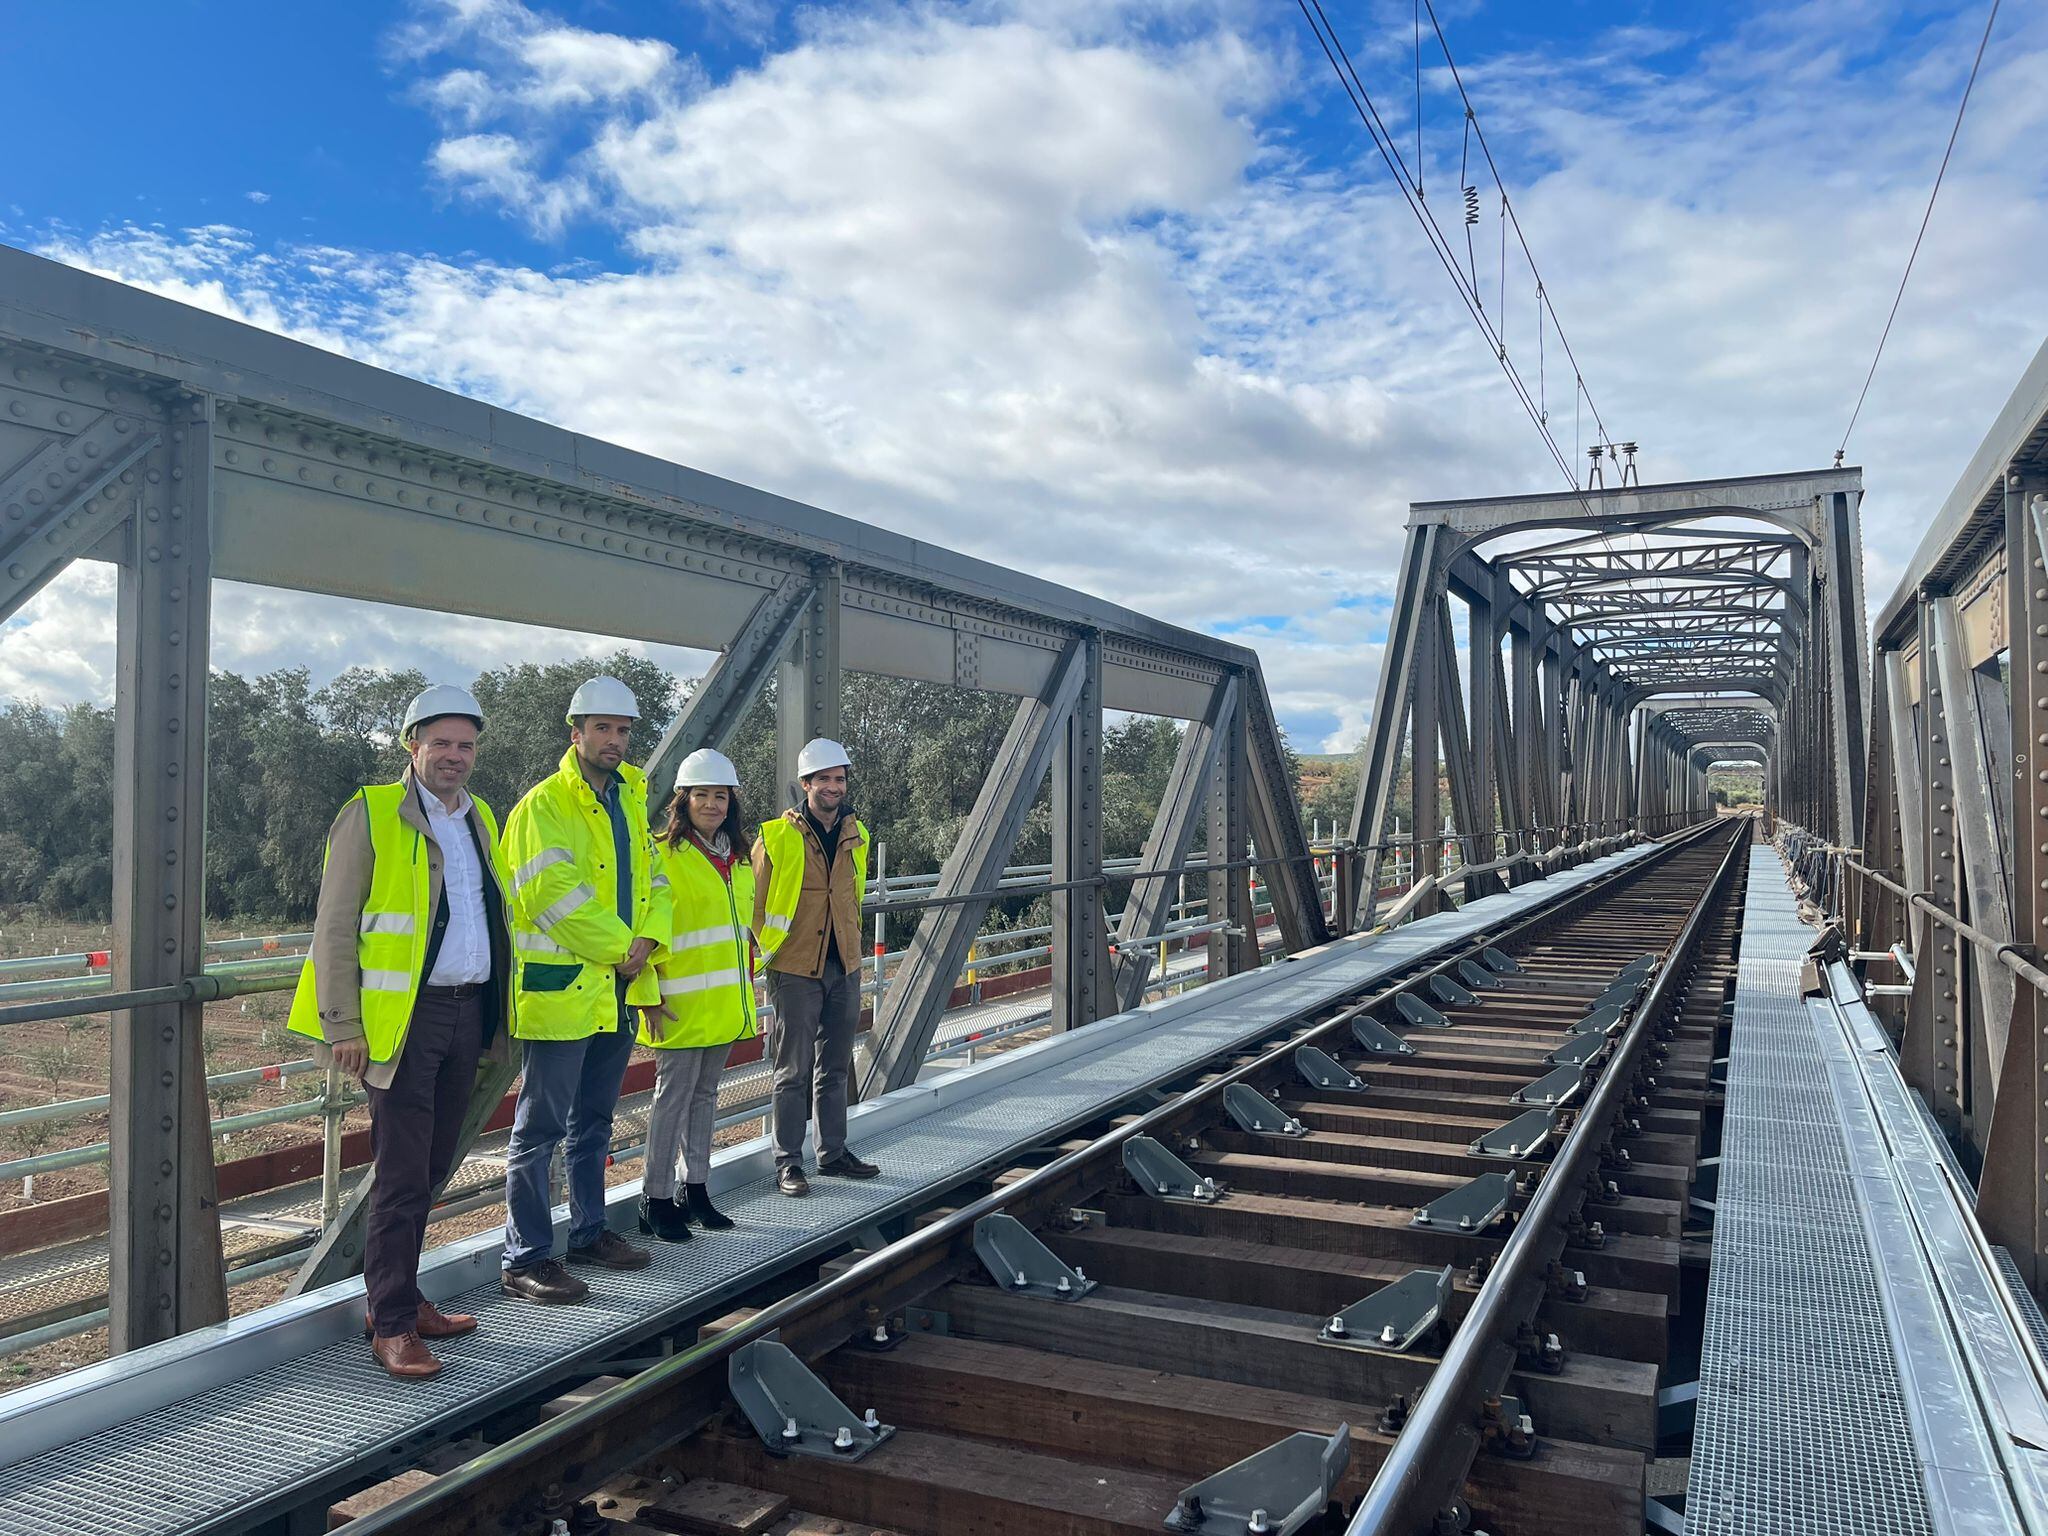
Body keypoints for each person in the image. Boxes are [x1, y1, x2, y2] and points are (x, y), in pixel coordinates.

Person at [287, 684, 514, 1380]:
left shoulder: (480, 819)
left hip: (467, 1012)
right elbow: (334, 926)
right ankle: (389, 1322)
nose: (454, 756)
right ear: (412, 745)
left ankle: (406, 1296)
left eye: (465, 745)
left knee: (433, 1165)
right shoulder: (373, 812)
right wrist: (344, 1024)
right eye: (441, 743)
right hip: (404, 1026)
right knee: (401, 1175)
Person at [497, 676, 672, 1302]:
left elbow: (658, 879)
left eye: (623, 731)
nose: (615, 741)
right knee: (539, 1126)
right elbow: (549, 896)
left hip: (618, 986)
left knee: (594, 1119)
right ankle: (525, 1256)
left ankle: (590, 1231)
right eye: (603, 728)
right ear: (576, 733)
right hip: (566, 987)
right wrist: (622, 948)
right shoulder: (543, 807)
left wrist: (647, 941)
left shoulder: (628, 800)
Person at [636, 748, 757, 1240]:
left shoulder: (738, 856)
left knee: (706, 1097)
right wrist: (646, 993)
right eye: (702, 795)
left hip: (724, 1001)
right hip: (678, 1002)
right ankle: (655, 1199)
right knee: (673, 1099)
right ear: (682, 800)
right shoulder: (660, 853)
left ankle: (697, 1190)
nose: (712, 804)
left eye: (720, 795)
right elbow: (643, 926)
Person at [753, 737, 880, 1196]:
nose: (833, 786)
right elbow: (757, 904)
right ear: (806, 784)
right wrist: (766, 956)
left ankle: (833, 1153)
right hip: (795, 969)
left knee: (836, 1067)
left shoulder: (856, 834)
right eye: (823, 779)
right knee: (792, 1070)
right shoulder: (774, 836)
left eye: (839, 779)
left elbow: (853, 896)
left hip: (844, 964)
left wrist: (854, 950)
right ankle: (788, 1162)